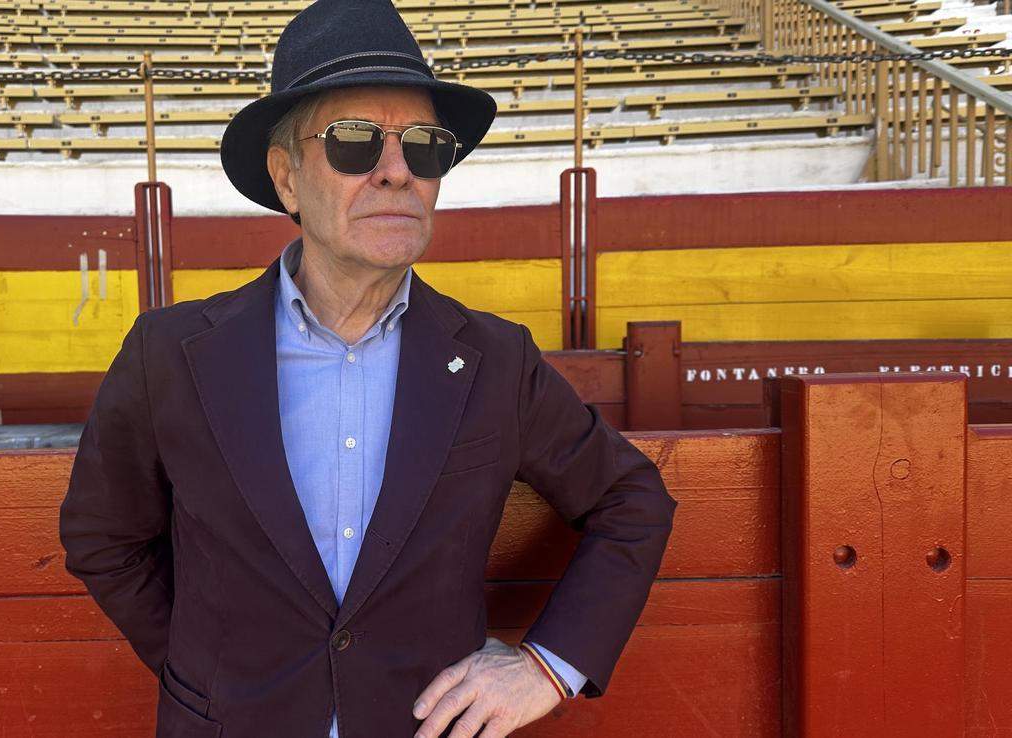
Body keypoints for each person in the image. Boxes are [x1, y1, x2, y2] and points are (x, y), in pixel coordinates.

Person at [58, 0, 677, 736]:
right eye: (354, 142)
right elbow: (104, 540)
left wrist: (547, 665)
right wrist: (209, 671)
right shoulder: (169, 355)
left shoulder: (496, 360)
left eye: (423, 146)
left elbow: (631, 500)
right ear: (286, 178)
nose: (395, 172)